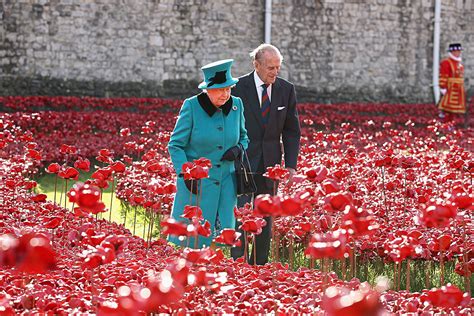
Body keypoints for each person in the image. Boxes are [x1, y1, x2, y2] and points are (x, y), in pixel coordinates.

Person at [231, 44, 301, 265]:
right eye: (270, 67)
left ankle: (259, 264)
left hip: (271, 164)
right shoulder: (237, 88)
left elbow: (291, 131)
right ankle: (238, 263)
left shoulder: (286, 90)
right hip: (242, 162)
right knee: (240, 214)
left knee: (266, 217)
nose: (275, 72)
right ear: (256, 65)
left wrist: (291, 165)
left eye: (278, 67)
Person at [168, 59, 249, 248]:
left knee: (219, 243)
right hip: (197, 187)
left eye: (229, 88)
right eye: (221, 89)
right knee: (192, 242)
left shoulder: (237, 105)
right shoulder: (192, 107)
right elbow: (175, 145)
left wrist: (238, 149)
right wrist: (185, 172)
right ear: (208, 89)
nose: (226, 93)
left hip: (226, 186)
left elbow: (244, 137)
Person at [438, 43, 467, 124]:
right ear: (452, 52)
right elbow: (443, 75)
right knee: (447, 109)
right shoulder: (446, 62)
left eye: (459, 51)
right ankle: (445, 124)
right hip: (450, 89)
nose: (458, 53)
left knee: (455, 111)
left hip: (458, 90)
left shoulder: (460, 65)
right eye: (456, 51)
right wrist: (443, 87)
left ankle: (452, 124)